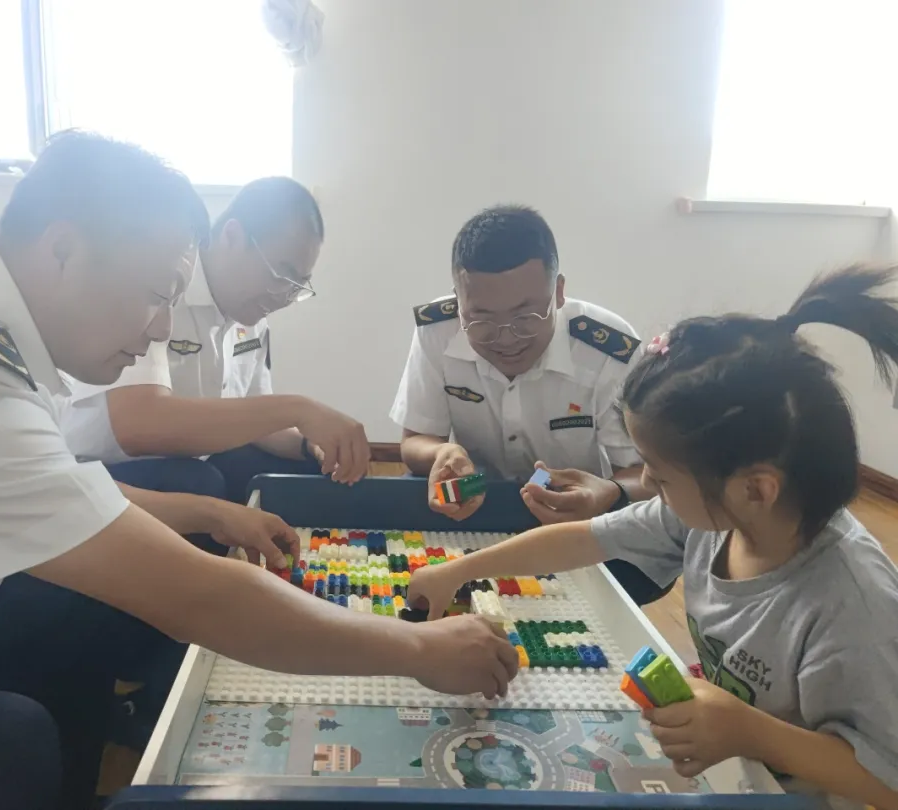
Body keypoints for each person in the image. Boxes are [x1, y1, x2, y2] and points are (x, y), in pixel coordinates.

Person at [0, 131, 518, 810]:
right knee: (6, 741)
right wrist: (415, 646)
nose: (160, 328)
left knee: (79, 610)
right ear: (62, 249)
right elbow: (199, 596)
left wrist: (212, 514)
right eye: (155, 294)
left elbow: (59, 488)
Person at [406, 265, 898, 810]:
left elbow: (887, 779)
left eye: (660, 477)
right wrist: (460, 570)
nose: (648, 486)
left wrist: (748, 730)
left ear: (755, 489)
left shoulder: (852, 605)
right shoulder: (713, 519)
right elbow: (583, 539)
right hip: (732, 764)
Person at [390, 204, 668, 605]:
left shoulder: (607, 348)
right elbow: (415, 440)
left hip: (575, 515)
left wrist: (607, 493)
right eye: (481, 320)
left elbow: (646, 474)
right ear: (458, 301)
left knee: (639, 565)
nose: (506, 339)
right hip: (477, 501)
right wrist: (443, 454)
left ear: (559, 292)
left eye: (526, 317)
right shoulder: (438, 329)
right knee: (408, 522)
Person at [61, 177, 370, 507]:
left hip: (188, 463)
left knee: (297, 471)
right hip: (105, 469)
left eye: (297, 287)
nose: (283, 298)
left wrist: (310, 445)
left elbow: (258, 421)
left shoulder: (252, 319)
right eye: (280, 275)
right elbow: (137, 424)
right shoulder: (162, 287)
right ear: (232, 236)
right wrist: (298, 408)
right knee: (198, 481)